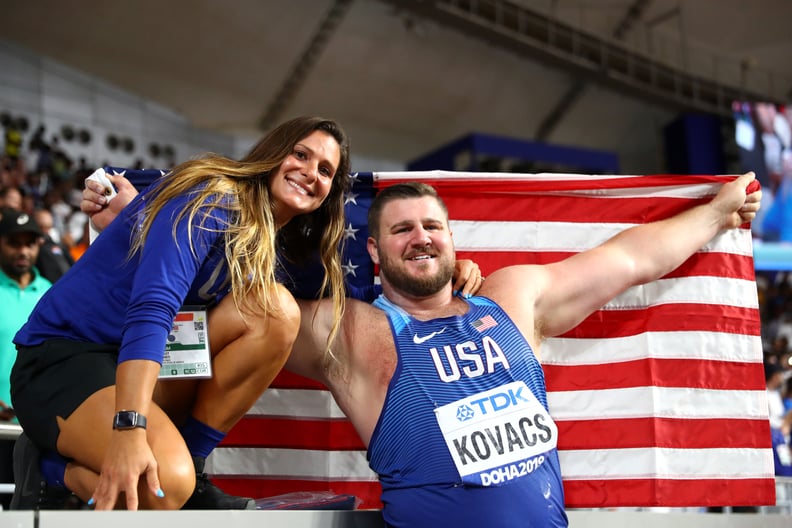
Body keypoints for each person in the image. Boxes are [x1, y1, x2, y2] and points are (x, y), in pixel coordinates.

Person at [84, 172, 761, 526]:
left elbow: (630, 259)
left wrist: (718, 211)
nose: (422, 237)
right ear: (375, 253)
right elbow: (225, 313)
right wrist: (135, 234)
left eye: (432, 225)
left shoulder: (514, 299)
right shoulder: (348, 331)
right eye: (402, 229)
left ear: (452, 237)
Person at [9, 116, 355, 512]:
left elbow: (349, 289)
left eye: (325, 170)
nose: (310, 173)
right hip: (64, 360)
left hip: (134, 366)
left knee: (276, 310)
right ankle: (51, 471)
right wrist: (129, 428)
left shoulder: (267, 238)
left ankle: (192, 467)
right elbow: (153, 308)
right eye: (300, 154)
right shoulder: (211, 199)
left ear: (330, 192)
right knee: (164, 488)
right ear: (274, 152)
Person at [0, 209, 52, 509]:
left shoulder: (51, 294)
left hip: (35, 431)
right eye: (14, 243)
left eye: (29, 243)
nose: (22, 251)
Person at [32, 208, 74, 283]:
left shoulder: (58, 246)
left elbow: (72, 265)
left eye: (47, 227)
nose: (45, 231)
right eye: (41, 227)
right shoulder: (31, 248)